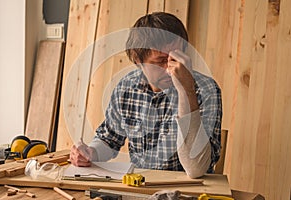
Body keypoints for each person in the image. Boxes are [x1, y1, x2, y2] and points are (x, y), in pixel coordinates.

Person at [69, 12, 222, 178]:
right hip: (140, 187)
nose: (171, 69)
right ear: (137, 59)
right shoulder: (126, 88)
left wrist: (186, 91)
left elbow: (196, 169)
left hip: (190, 191)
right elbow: (109, 139)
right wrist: (91, 153)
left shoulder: (206, 89)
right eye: (161, 61)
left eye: (176, 57)